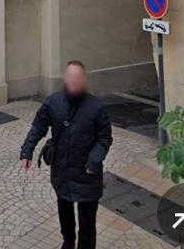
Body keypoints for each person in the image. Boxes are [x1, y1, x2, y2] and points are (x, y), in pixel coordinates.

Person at [20, 60, 112, 249]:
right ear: (64, 78)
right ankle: (68, 242)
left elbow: (104, 138)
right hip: (62, 172)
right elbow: (39, 126)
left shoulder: (96, 107)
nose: (73, 81)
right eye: (70, 76)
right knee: (65, 211)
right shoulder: (53, 102)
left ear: (84, 79)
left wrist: (94, 160)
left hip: (88, 174)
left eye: (77, 77)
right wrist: (27, 150)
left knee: (87, 223)